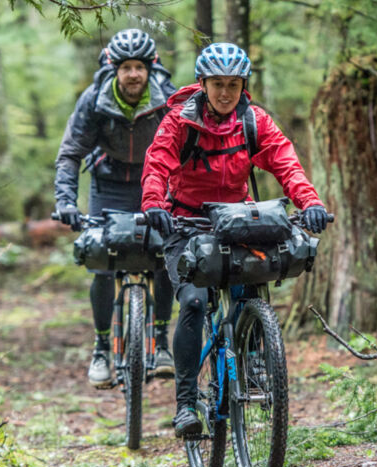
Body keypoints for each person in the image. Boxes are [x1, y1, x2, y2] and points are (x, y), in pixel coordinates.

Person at [140, 43, 330, 437]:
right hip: (185, 222)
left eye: (233, 84)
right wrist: (154, 203)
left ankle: (257, 358)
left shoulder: (253, 120)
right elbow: (157, 162)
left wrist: (310, 202)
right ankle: (186, 404)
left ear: (243, 84)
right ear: (202, 84)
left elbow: (285, 162)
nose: (225, 92)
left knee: (252, 285)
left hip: (237, 220)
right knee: (192, 302)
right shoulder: (179, 121)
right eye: (217, 84)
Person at [54, 29, 178, 388]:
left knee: (165, 256)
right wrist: (65, 202)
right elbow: (70, 153)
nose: (134, 74)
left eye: (140, 67)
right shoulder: (94, 99)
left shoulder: (168, 97)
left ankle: (163, 341)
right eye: (127, 68)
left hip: (156, 183)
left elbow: (186, 149)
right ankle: (102, 347)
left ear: (151, 67)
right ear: (114, 68)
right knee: (102, 262)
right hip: (107, 185)